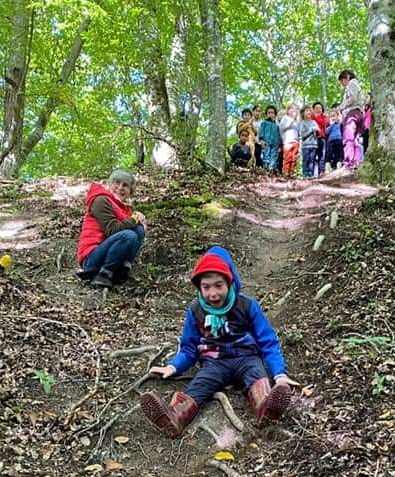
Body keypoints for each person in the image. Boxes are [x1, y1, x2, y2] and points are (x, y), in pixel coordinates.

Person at [140, 247, 295, 438]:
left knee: (257, 377)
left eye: (218, 285)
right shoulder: (196, 310)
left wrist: (279, 374)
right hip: (214, 362)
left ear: (230, 283)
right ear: (199, 287)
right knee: (200, 384)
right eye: (206, 287)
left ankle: (266, 408)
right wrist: (173, 366)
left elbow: (268, 342)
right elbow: (189, 347)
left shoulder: (246, 305)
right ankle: (174, 417)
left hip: (246, 357)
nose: (213, 293)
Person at [76, 169, 146, 289]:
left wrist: (140, 223)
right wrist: (134, 219)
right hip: (91, 258)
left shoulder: (124, 209)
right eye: (117, 183)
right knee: (129, 235)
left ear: (130, 191)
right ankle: (103, 274)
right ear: (110, 184)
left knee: (138, 230)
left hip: (105, 252)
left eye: (125, 185)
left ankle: (121, 268)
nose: (120, 187)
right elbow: (112, 230)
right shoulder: (101, 200)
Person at [338, 69, 364, 169]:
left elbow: (353, 98)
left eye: (342, 81)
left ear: (347, 77)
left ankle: (348, 162)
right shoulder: (357, 86)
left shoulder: (352, 84)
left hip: (352, 113)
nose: (342, 84)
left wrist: (342, 106)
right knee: (356, 139)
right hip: (359, 114)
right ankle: (356, 162)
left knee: (348, 138)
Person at [279, 104, 300, 178]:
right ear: (287, 111)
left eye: (294, 109)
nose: (293, 110)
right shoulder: (285, 118)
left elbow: (298, 131)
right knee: (287, 158)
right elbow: (282, 128)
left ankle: (292, 174)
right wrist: (292, 120)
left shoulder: (297, 121)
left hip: (296, 142)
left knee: (294, 159)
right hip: (288, 141)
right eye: (291, 109)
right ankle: (285, 173)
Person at [259, 105, 282, 172]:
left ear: (275, 114)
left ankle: (271, 169)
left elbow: (279, 134)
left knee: (273, 156)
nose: (270, 114)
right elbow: (261, 132)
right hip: (266, 142)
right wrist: (262, 140)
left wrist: (279, 144)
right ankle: (265, 169)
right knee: (266, 155)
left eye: (272, 113)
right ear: (266, 114)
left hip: (275, 143)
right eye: (269, 112)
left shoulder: (277, 125)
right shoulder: (264, 123)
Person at [299, 106, 319, 178]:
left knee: (312, 160)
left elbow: (317, 133)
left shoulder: (314, 122)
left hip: (314, 145)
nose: (309, 112)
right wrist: (311, 130)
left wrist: (316, 131)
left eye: (310, 111)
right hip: (306, 145)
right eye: (307, 110)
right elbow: (303, 135)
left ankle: (311, 174)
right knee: (306, 160)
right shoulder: (302, 123)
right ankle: (305, 174)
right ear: (302, 113)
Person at [312, 102, 328, 175]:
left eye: (320, 108)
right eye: (316, 108)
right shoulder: (311, 117)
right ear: (313, 109)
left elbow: (323, 123)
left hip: (322, 139)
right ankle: (311, 174)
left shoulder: (324, 117)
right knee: (313, 156)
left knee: (322, 156)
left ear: (322, 110)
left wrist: (316, 116)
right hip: (313, 139)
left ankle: (321, 172)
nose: (318, 110)